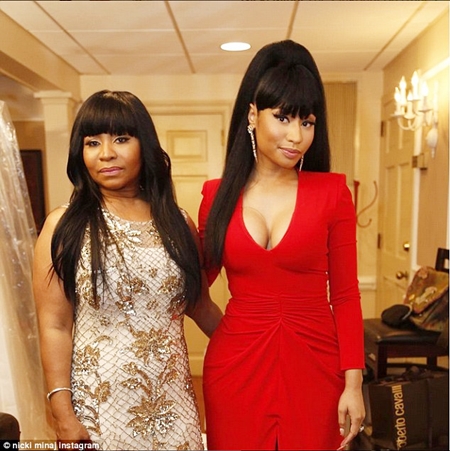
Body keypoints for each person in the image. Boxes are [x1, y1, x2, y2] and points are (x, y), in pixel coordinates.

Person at [198, 40, 365, 450]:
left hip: (317, 367)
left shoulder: (332, 194)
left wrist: (354, 383)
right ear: (252, 115)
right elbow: (192, 287)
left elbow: (346, 295)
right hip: (233, 369)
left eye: (307, 122)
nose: (296, 136)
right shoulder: (216, 196)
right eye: (283, 117)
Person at [33, 90, 222, 449]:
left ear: (144, 145)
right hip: (99, 410)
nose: (106, 153)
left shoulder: (177, 223)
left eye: (121, 138)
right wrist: (62, 413)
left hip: (174, 408)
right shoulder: (64, 226)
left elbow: (200, 306)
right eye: (93, 142)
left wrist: (258, 348)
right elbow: (54, 325)